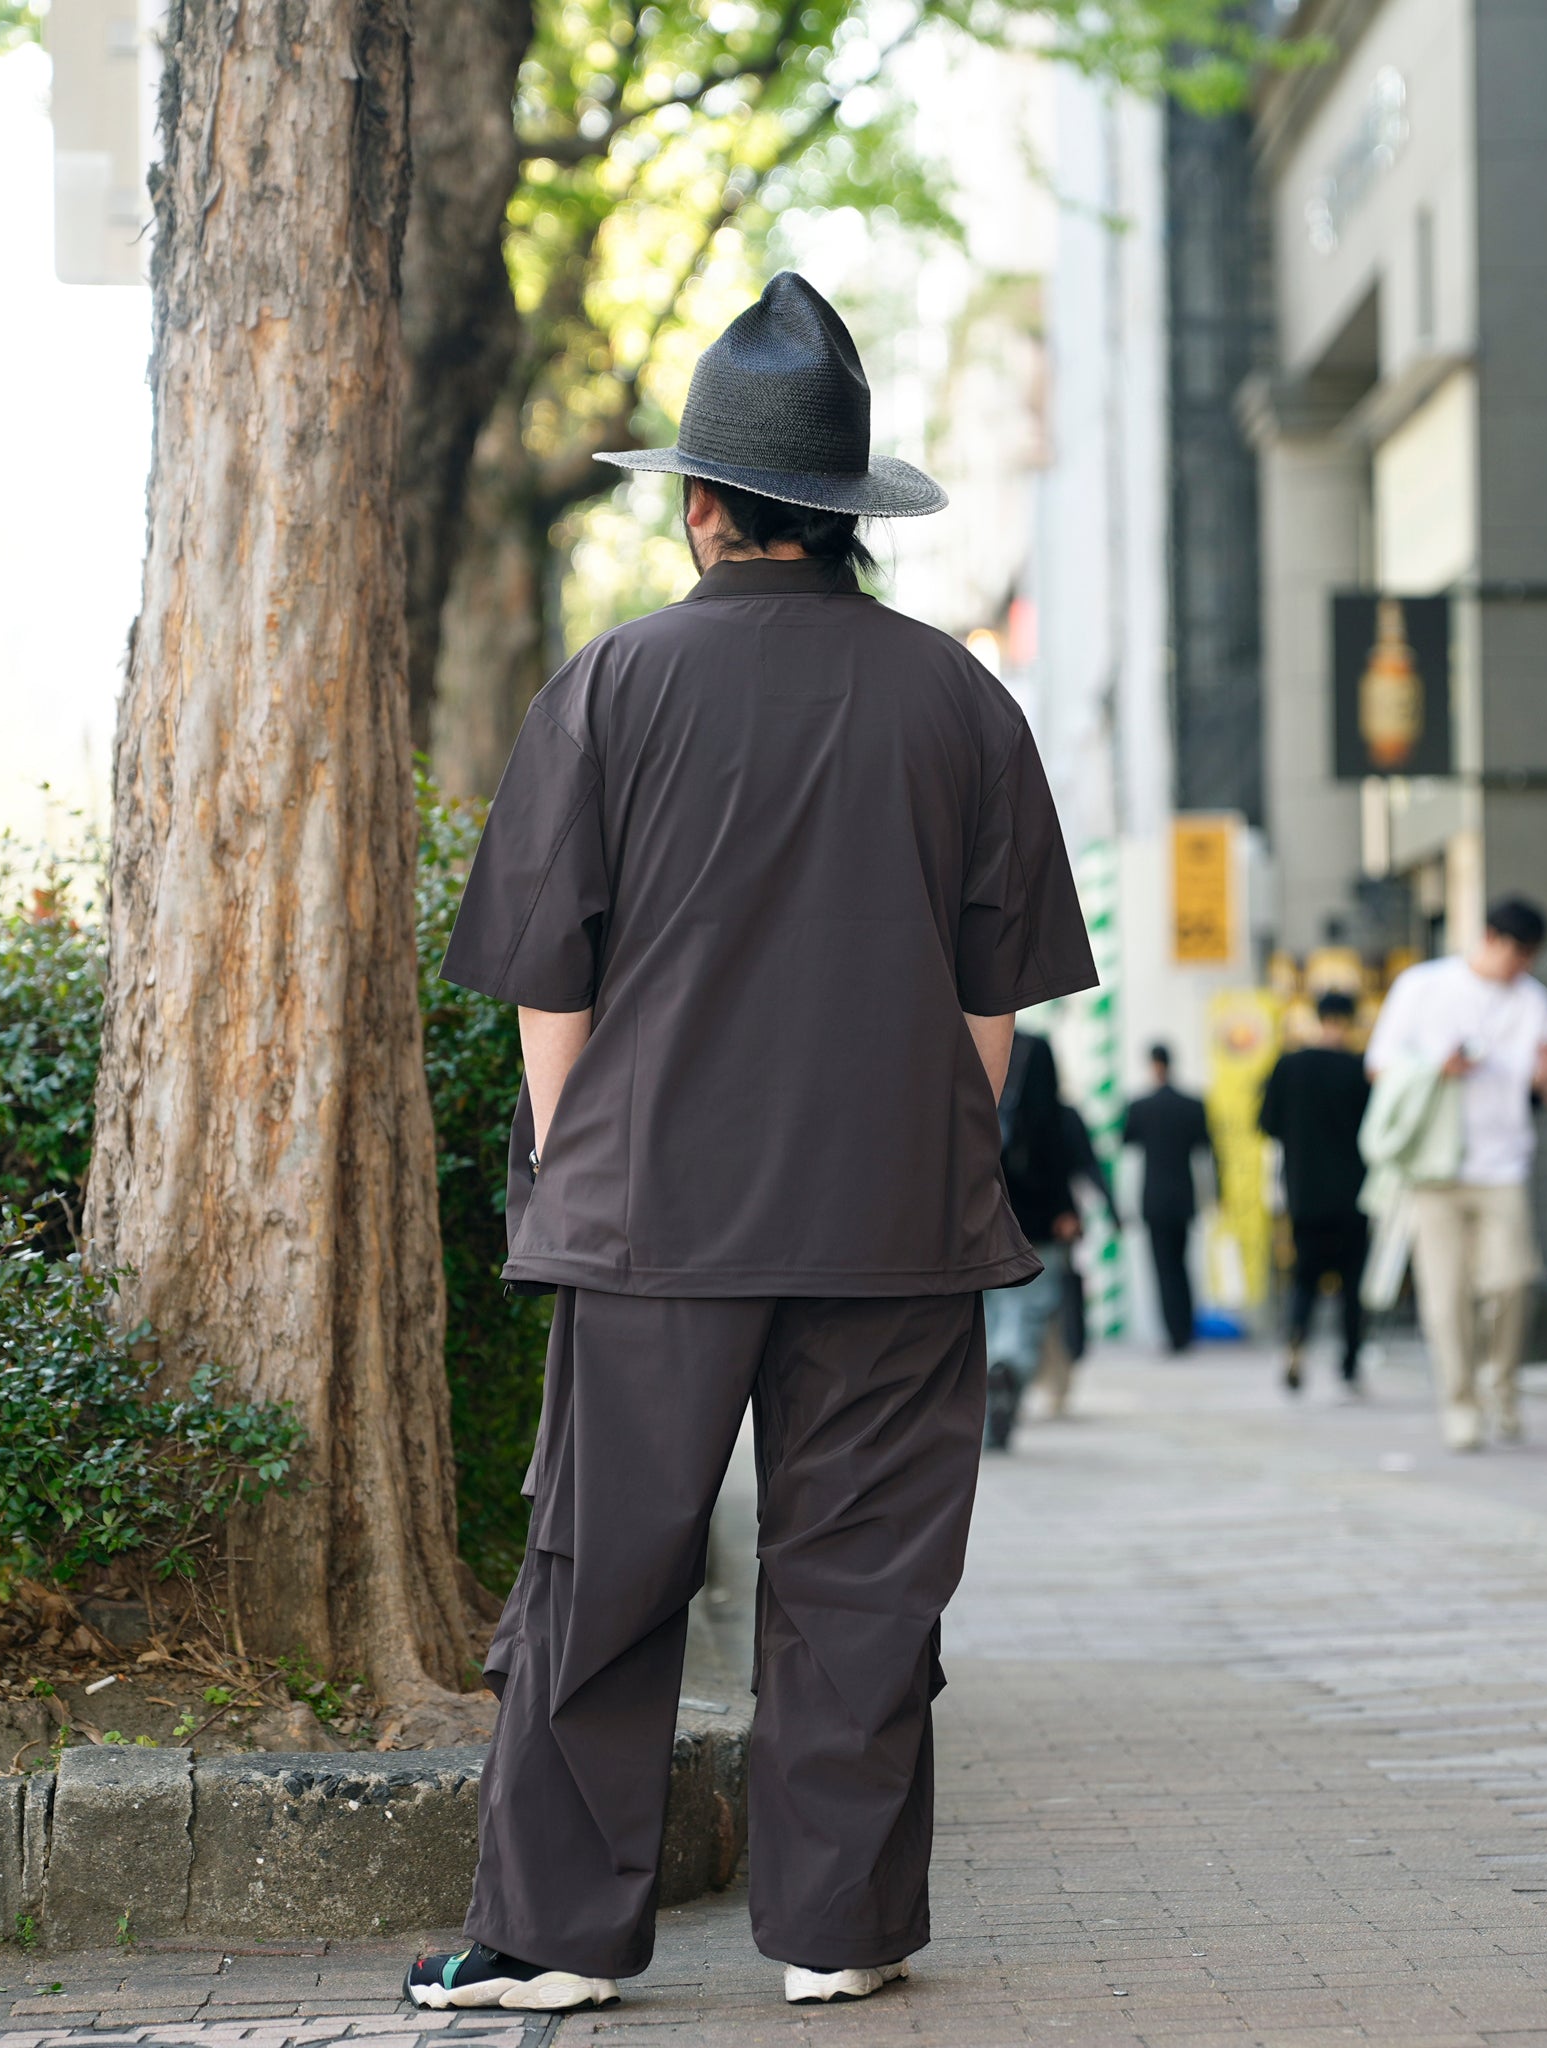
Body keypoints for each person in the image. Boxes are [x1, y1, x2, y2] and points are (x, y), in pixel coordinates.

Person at [412, 273, 1097, 2015]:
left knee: (605, 1574)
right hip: (894, 1214)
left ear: (702, 505)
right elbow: (993, 1007)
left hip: (651, 1208)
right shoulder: (960, 700)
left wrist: (582, 1165)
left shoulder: (611, 685)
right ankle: (839, 1926)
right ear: (845, 513)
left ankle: (552, 1939)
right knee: (862, 1577)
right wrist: (929, 1156)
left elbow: (550, 983)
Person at [1364, 897, 1547, 1451]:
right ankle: (1460, 1406)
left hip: (1503, 1165)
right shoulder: (1423, 987)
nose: (1521, 967)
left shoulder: (1535, 1003)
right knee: (1445, 1297)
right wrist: (1440, 1067)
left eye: (1530, 957)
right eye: (1517, 953)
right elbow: (1378, 1066)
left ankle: (1500, 1385)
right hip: (1434, 1167)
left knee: (1513, 1282)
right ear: (1490, 939)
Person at [983, 1031, 1096, 1448]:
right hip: (1038, 1214)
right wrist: (1064, 1207)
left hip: (981, 1208)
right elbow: (1051, 1129)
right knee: (1029, 1307)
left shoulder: (958, 1035)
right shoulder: (1035, 1048)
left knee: (987, 1309)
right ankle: (1009, 1365)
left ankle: (991, 1376)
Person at [1259, 991, 1372, 1395]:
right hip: (1355, 1193)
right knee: (1352, 1282)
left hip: (1304, 1192)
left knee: (1305, 1277)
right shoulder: (1361, 1068)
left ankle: (1296, 1339)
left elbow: (1267, 1124)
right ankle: (1350, 1363)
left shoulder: (1289, 1065)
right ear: (1349, 1020)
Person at [1122, 1044, 1216, 1353]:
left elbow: (1129, 1159)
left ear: (1152, 1065)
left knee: (1163, 1268)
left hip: (1154, 1199)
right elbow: (1204, 1158)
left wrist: (1127, 1204)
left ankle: (1173, 1332)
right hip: (1183, 1197)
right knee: (1182, 1265)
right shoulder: (1192, 1105)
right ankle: (1186, 1329)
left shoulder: (1140, 1107)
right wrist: (1210, 1199)